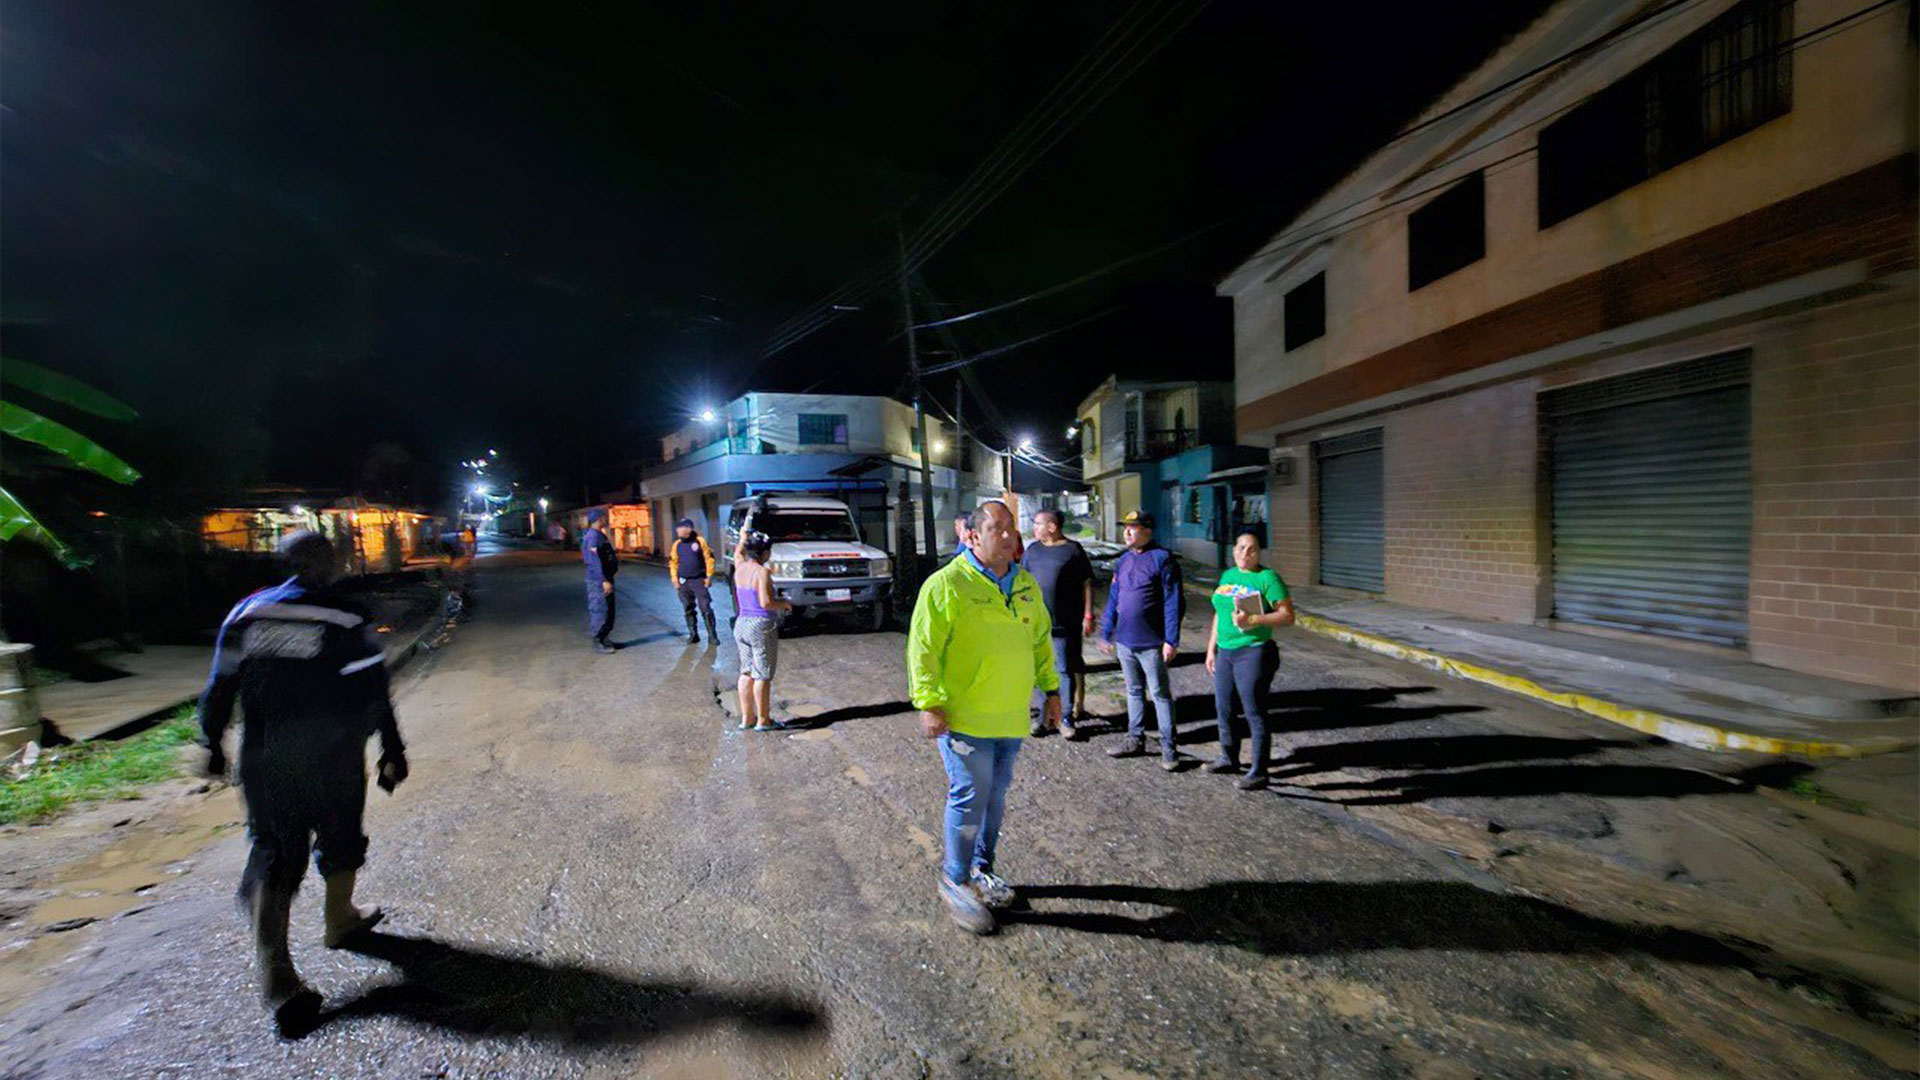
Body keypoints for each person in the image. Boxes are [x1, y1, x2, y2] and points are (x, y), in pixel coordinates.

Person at [197, 531, 409, 1031]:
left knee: (275, 852)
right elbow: (374, 690)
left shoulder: (246, 613)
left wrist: (210, 742)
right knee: (341, 836)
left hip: (265, 755)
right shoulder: (346, 616)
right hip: (332, 754)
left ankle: (279, 976)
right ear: (331, 564)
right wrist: (392, 749)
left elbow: (220, 684)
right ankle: (337, 922)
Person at [907, 500, 1059, 935]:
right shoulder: (947, 585)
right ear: (972, 536)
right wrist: (929, 702)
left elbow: (1040, 642)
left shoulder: (1025, 584)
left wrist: (1051, 691)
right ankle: (955, 881)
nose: (1009, 536)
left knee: (994, 798)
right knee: (970, 793)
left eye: (1011, 528)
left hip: (1010, 716)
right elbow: (923, 649)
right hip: (965, 719)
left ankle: (982, 869)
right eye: (997, 528)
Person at [1204, 530, 1295, 790]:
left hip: (1254, 651)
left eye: (1252, 549)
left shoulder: (1267, 578)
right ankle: (1228, 757)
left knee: (1254, 710)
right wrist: (1211, 649)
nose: (1245, 553)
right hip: (1225, 651)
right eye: (1241, 547)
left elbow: (1287, 616)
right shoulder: (1228, 576)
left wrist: (1254, 620)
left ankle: (1258, 771)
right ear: (1233, 550)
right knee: (1224, 708)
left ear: (1259, 553)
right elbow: (1219, 615)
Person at [1099, 510, 1184, 770]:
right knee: (1133, 691)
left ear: (1148, 530)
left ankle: (1169, 748)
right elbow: (1115, 598)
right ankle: (1135, 738)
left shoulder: (1163, 560)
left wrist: (1171, 640)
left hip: (1152, 643)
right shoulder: (1122, 561)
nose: (1127, 532)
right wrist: (1106, 631)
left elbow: (1173, 602)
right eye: (1125, 527)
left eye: (1133, 528)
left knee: (1159, 693)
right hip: (1125, 641)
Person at [1021, 508, 1095, 738]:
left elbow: (1087, 584)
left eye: (1038, 523)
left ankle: (1065, 719)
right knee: (1041, 672)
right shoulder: (1032, 551)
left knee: (1063, 670)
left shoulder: (1072, 550)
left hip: (1065, 624)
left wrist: (1088, 615)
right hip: (1037, 625)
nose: (1034, 527)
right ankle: (1044, 718)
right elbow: (1022, 583)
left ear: (1052, 527)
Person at [730, 531, 792, 731]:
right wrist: (784, 604)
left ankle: (747, 718)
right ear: (764, 553)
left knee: (746, 671)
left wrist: (742, 537)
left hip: (741, 623)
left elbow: (738, 553)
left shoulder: (739, 566)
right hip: (760, 624)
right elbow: (766, 602)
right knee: (762, 674)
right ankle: (763, 720)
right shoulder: (761, 572)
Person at [668, 517, 718, 645]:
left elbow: (709, 559)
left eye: (680, 527)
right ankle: (693, 634)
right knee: (688, 607)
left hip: (698, 580)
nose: (677, 530)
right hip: (683, 582)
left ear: (688, 529)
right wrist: (675, 579)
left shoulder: (700, 542)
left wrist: (708, 576)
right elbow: (673, 562)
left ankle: (712, 635)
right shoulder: (677, 545)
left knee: (705, 607)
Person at [581, 509, 618, 654]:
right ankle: (599, 640)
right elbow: (594, 561)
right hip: (598, 581)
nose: (606, 519)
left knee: (609, 610)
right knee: (600, 609)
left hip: (606, 578)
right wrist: (603, 580)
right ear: (598, 519)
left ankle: (605, 637)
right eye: (604, 517)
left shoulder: (599, 535)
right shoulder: (592, 537)